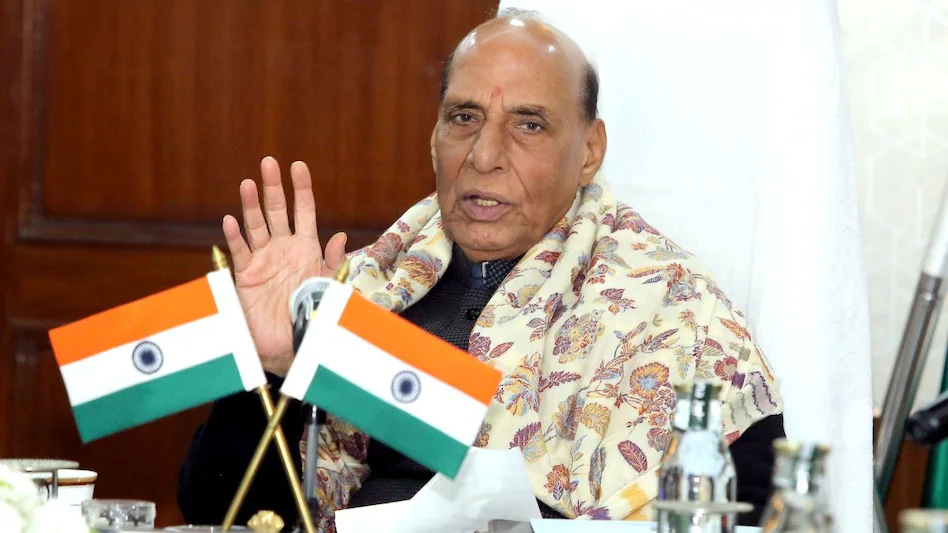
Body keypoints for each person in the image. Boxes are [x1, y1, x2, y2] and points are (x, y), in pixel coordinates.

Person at [178, 8, 785, 532]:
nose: (485, 155)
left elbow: (751, 507)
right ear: (434, 136)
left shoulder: (668, 306)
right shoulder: (361, 288)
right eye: (464, 118)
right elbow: (218, 510)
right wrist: (272, 371)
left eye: (529, 124)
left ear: (590, 151)